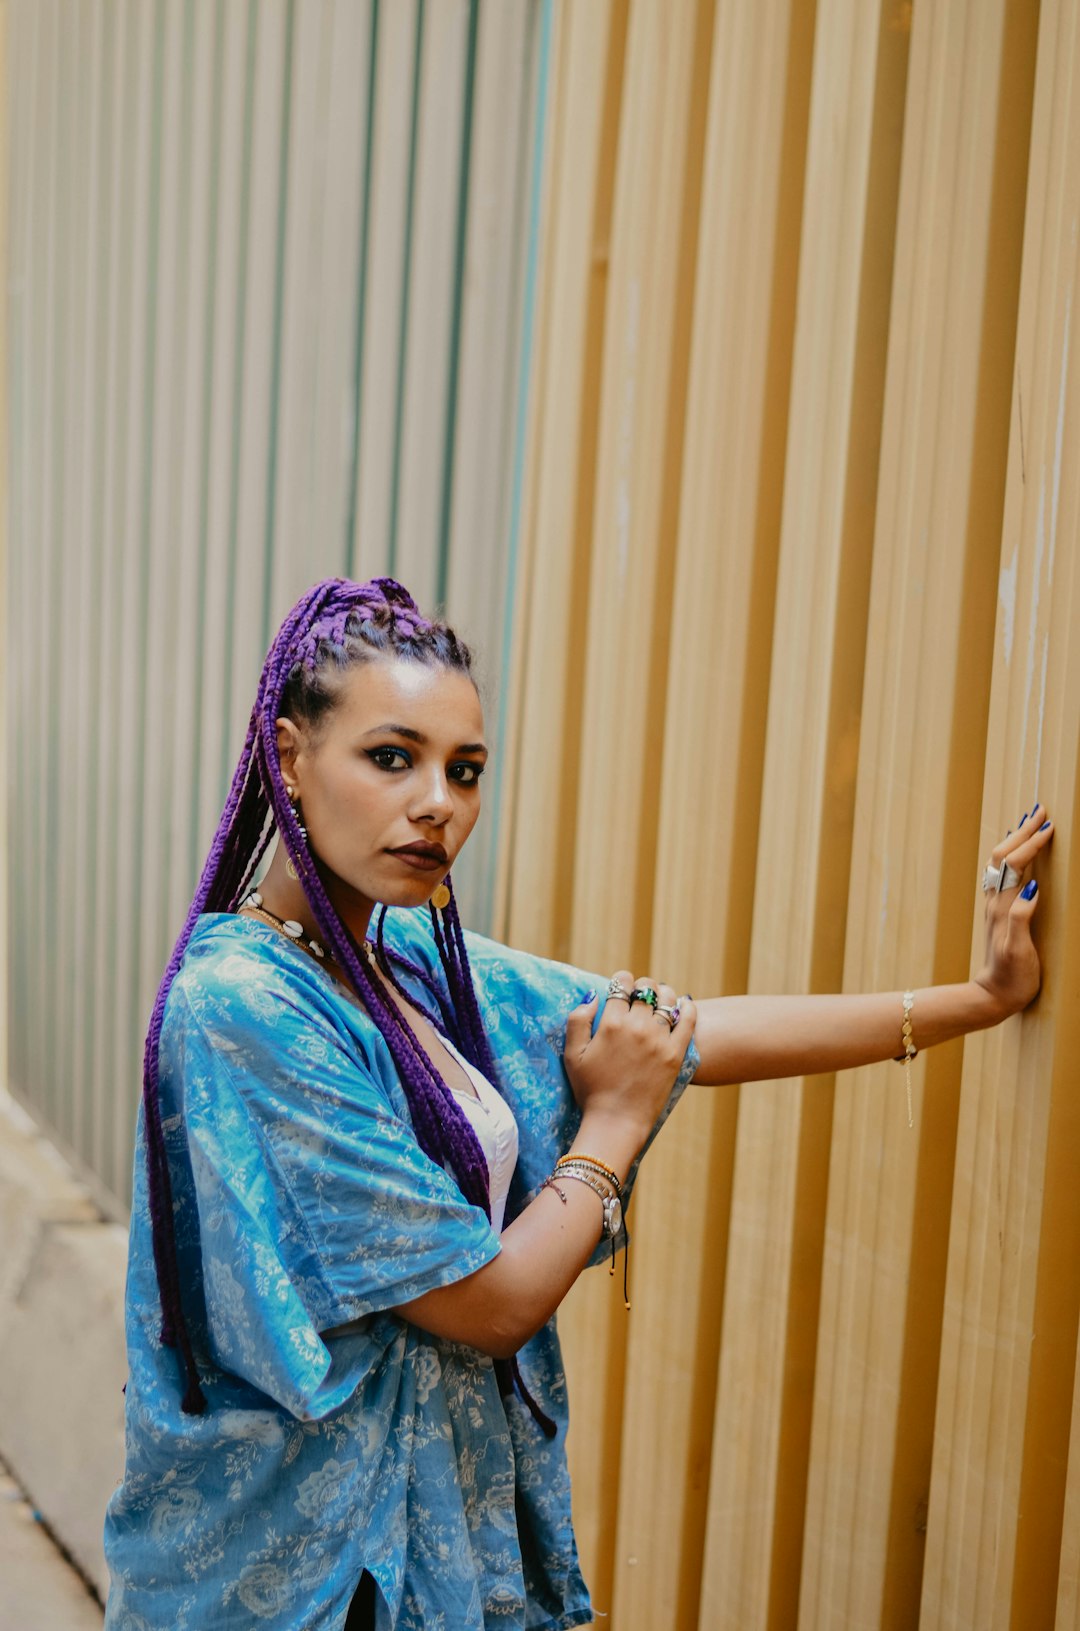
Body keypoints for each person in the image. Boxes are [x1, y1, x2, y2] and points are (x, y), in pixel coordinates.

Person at [103, 577, 1053, 1631]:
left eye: (465, 771)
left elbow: (679, 1031)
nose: (437, 802)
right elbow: (492, 1303)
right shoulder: (244, 1004)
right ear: (288, 758)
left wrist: (980, 998)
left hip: (438, 1529)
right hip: (310, 1565)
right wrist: (610, 1128)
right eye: (392, 756)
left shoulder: (405, 957)